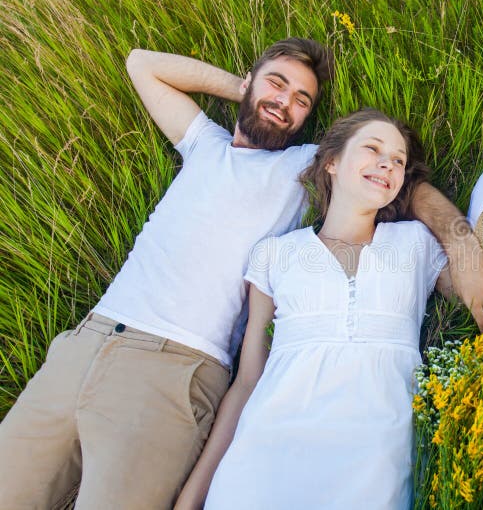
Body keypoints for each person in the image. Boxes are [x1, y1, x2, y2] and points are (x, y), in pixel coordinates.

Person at [0, 39, 483, 509]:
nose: (285, 102)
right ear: (249, 80)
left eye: (302, 101)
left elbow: (407, 188)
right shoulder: (204, 145)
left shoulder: (305, 166)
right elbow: (142, 64)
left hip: (172, 365)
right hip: (88, 341)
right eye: (276, 84)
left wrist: (464, 250)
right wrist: (244, 89)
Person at [176, 108, 450, 509]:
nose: (386, 163)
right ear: (332, 162)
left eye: (398, 161)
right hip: (262, 467)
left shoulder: (416, 244)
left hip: (373, 473)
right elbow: (248, 381)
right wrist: (190, 499)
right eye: (372, 148)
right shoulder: (276, 254)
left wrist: (460, 237)